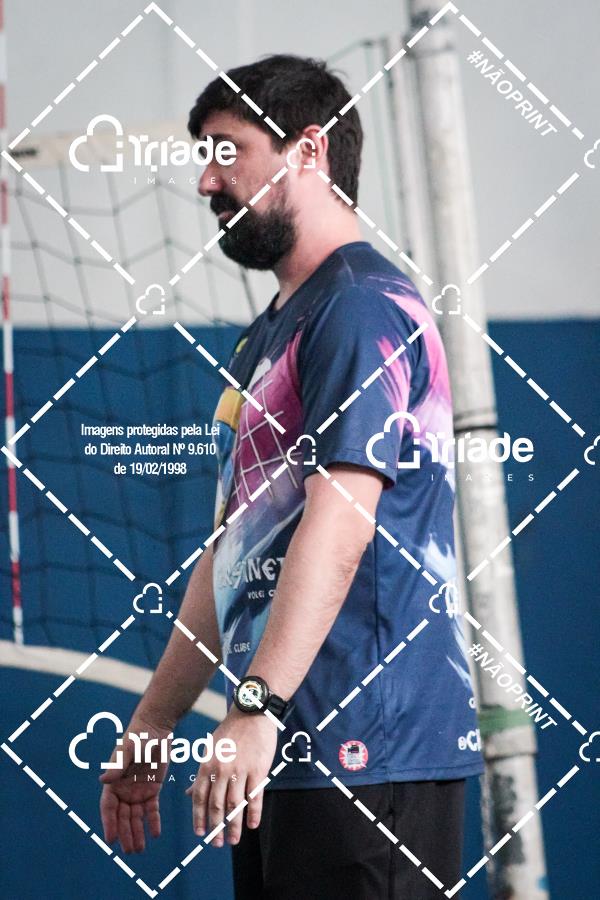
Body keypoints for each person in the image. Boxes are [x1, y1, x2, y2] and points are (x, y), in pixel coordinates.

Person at [100, 54, 483, 899]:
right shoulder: (270, 333)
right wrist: (155, 723)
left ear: (309, 151)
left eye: (227, 152)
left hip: (370, 750)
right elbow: (230, 553)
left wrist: (254, 708)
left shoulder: (361, 307)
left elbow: (340, 522)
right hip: (281, 752)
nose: (207, 181)